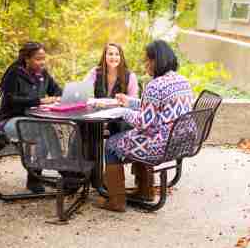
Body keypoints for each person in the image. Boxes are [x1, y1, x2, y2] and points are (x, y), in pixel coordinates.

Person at [94, 40, 194, 212]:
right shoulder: (181, 80)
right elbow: (157, 107)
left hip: (160, 145)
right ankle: (145, 191)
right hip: (181, 141)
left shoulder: (154, 85)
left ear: (156, 61)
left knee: (111, 144)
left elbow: (144, 124)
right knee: (132, 136)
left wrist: (122, 111)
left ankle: (116, 201)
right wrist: (130, 102)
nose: (145, 64)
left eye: (147, 60)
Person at [0, 42, 62, 194]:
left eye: (44, 58)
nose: (42, 62)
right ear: (27, 59)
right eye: (38, 59)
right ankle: (41, 176)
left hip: (32, 120)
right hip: (10, 121)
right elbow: (11, 101)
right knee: (44, 131)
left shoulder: (42, 73)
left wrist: (68, 95)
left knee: (47, 129)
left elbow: (56, 90)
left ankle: (57, 169)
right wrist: (39, 101)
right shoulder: (14, 73)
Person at [83, 43, 138, 135]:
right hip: (98, 115)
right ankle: (82, 149)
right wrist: (94, 102)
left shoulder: (130, 76)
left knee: (121, 126)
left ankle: (116, 147)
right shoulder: (95, 72)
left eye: (117, 54)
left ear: (121, 57)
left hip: (119, 119)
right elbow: (83, 91)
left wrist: (123, 102)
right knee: (82, 126)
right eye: (110, 54)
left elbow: (134, 103)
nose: (114, 57)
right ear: (105, 56)